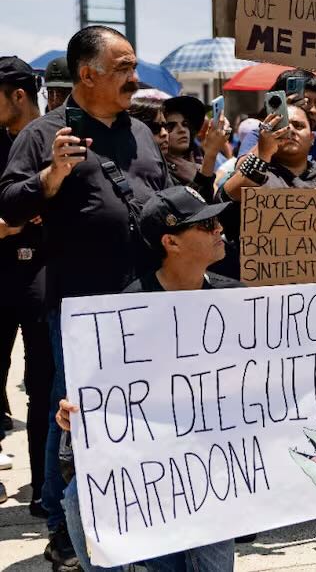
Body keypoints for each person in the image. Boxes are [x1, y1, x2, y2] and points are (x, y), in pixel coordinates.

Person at [0, 25, 168, 570]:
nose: (134, 79)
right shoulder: (44, 133)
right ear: (87, 73)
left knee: (138, 411)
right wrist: (51, 176)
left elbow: (161, 193)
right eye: (123, 68)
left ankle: (127, 509)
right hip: (80, 306)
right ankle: (63, 529)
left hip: (147, 299)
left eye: (134, 66)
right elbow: (10, 202)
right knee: (74, 416)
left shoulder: (142, 132)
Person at [53, 186, 237, 571]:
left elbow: (272, 377)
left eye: (217, 220)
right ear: (171, 242)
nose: (220, 228)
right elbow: (99, 394)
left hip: (214, 465)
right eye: (206, 224)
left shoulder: (237, 301)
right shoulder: (125, 313)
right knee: (78, 498)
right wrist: (75, 414)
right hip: (150, 467)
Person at [0, 56, 53, 517]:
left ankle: (43, 488)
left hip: (43, 278)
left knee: (43, 385)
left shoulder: (55, 139)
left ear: (18, 94)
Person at [163, 95, 228, 201]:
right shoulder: (159, 171)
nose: (182, 130)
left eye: (185, 124)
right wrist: (211, 155)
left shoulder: (199, 158)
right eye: (170, 126)